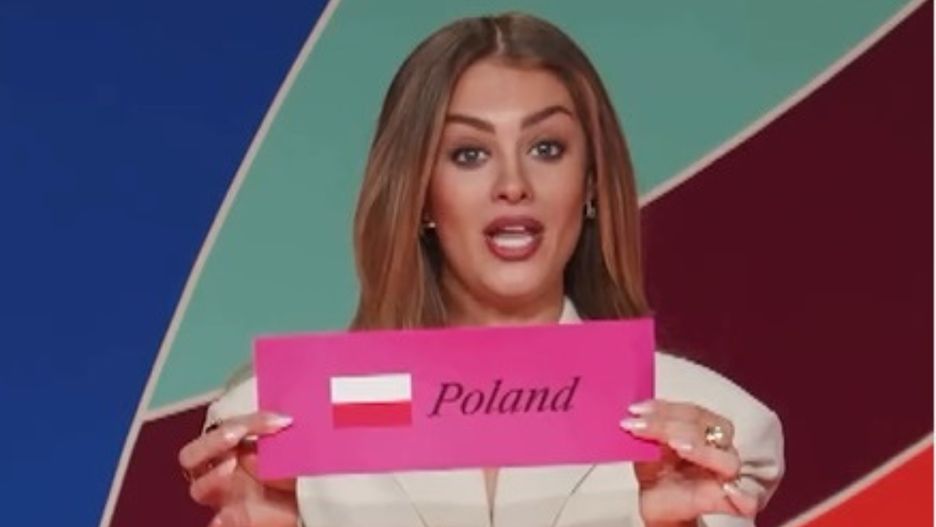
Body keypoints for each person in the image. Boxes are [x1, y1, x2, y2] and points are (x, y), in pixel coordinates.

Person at [178, 12, 784, 527]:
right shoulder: (283, 426)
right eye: (469, 154)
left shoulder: (707, 424)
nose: (513, 184)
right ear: (420, 194)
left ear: (591, 182)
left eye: (546, 148)